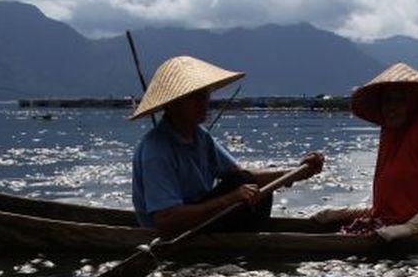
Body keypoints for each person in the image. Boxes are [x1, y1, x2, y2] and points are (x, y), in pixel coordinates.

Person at [130, 55, 324, 239]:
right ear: (173, 105)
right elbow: (166, 220)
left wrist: (298, 171)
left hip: (201, 220)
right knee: (241, 186)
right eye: (195, 96)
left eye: (204, 94)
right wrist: (229, 199)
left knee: (248, 183)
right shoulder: (156, 150)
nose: (205, 102)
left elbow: (243, 175)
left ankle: (247, 244)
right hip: (173, 232)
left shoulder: (200, 137)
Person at [313, 62, 418, 240]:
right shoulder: (390, 133)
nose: (391, 107)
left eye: (399, 100)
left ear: (413, 103)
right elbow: (391, 207)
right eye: (387, 101)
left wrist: (410, 227)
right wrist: (342, 213)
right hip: (392, 224)